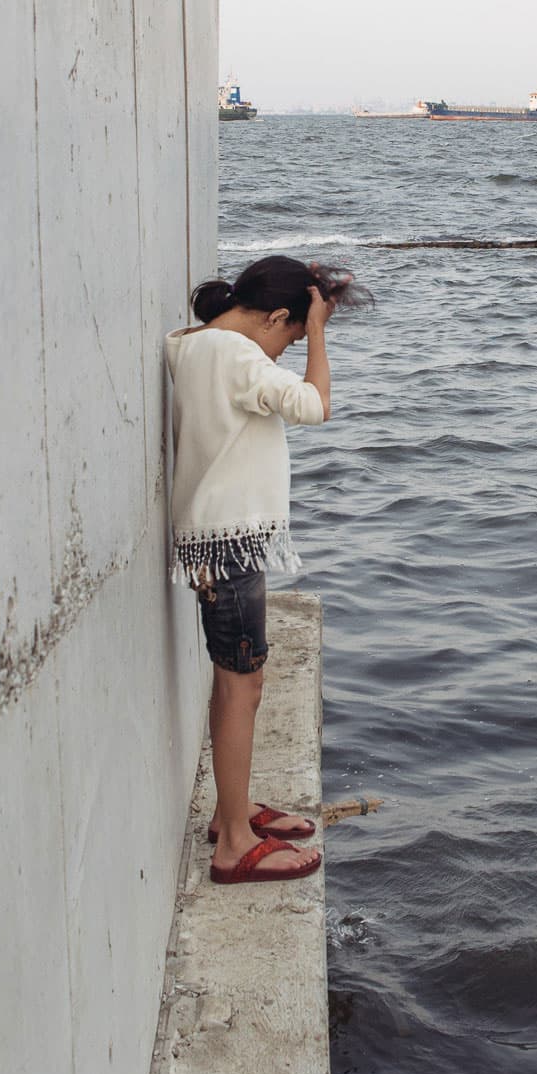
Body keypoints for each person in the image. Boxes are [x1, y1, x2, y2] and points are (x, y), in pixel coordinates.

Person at [164, 255, 369, 885]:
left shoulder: (191, 344)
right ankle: (233, 843)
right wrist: (320, 333)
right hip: (228, 543)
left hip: (213, 539)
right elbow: (313, 406)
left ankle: (237, 811)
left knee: (238, 683)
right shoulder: (238, 356)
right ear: (277, 315)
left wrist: (301, 324)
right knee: (240, 687)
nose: (286, 351)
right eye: (292, 336)